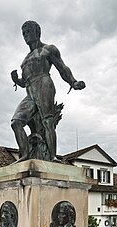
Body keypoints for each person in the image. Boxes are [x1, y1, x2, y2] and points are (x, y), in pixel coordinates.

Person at [11, 20, 86, 162]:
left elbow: (62, 68)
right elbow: (24, 81)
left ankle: (52, 157)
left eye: (28, 32)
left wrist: (73, 82)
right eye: (23, 33)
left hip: (44, 84)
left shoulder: (48, 49)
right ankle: (26, 155)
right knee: (16, 122)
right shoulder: (25, 59)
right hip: (30, 91)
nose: (25, 35)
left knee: (47, 122)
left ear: (37, 32)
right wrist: (16, 80)